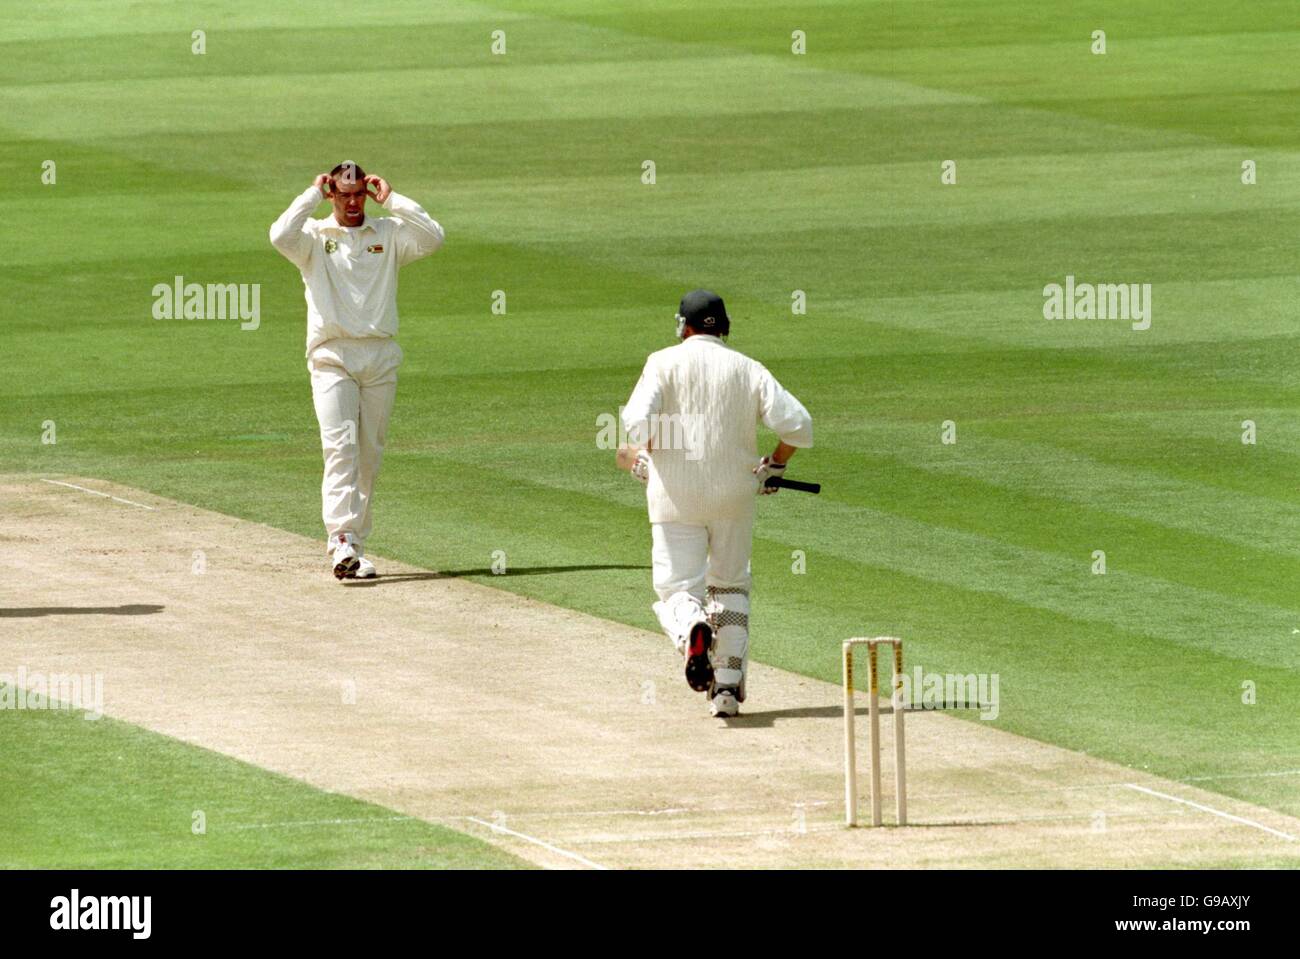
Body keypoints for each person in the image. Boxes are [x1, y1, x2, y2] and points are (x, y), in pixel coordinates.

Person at [618, 290, 813, 717]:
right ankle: (726, 689)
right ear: (724, 328)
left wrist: (659, 452)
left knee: (677, 588)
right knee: (730, 585)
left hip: (674, 496)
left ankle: (692, 629)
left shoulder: (661, 362)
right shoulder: (748, 368)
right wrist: (776, 465)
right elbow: (799, 426)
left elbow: (634, 426)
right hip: (735, 494)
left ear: (682, 326)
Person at [269, 162, 444, 579]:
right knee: (341, 448)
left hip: (380, 356)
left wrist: (393, 199)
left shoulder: (386, 234)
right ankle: (341, 539)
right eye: (343, 195)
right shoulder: (312, 237)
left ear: (367, 194)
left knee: (369, 454)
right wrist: (312, 193)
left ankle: (355, 546)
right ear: (333, 195)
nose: (351, 203)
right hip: (332, 357)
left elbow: (433, 238)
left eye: (358, 195)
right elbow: (278, 235)